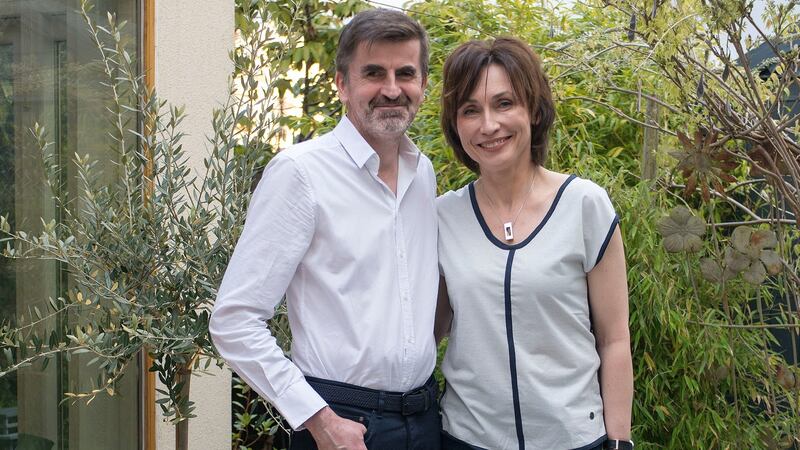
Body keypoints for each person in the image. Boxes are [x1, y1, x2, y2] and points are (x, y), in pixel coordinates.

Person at [209, 9, 440, 450]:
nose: (391, 89)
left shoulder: (423, 173)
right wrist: (318, 419)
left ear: (423, 86)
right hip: (341, 422)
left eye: (405, 73)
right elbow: (234, 321)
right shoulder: (300, 173)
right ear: (342, 83)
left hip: (425, 419)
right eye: (373, 73)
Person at [434, 37, 634, 450]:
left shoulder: (584, 205)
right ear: (455, 124)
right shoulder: (441, 218)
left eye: (504, 103)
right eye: (470, 110)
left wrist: (619, 442)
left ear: (535, 109)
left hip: (573, 438)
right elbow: (427, 333)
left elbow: (614, 340)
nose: (488, 125)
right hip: (468, 439)